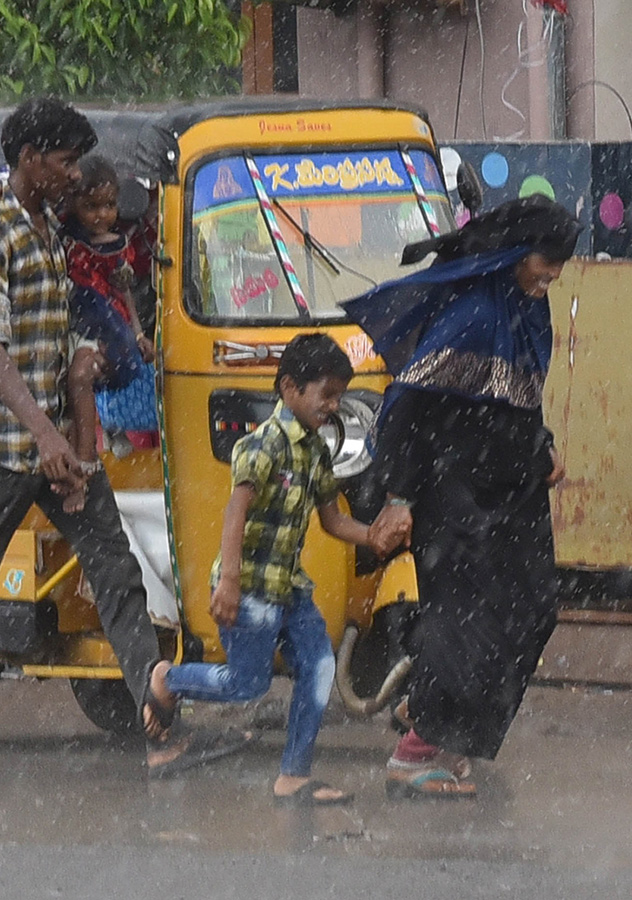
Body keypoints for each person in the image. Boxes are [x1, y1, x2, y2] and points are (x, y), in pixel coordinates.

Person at [0, 97, 243, 773]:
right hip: (15, 448)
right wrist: (49, 436)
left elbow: (52, 331)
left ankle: (157, 727)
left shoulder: (48, 226)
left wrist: (81, 373)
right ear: (27, 159)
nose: (76, 176)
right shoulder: (1, 228)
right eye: (64, 161)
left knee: (116, 575)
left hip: (64, 454)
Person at [344, 194, 580, 798]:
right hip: (455, 492)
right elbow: (407, 410)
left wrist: (543, 445)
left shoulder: (529, 309)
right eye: (544, 264)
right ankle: (416, 750)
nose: (551, 277)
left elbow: (522, 396)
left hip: (513, 490)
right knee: (467, 624)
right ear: (516, 254)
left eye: (557, 268)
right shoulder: (473, 313)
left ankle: (432, 720)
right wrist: (399, 496)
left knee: (532, 609)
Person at [142, 333, 399, 803]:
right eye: (326, 395)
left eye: (340, 395)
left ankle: (294, 774)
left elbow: (332, 518)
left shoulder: (316, 452)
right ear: (289, 389)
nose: (334, 405)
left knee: (320, 667)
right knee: (248, 683)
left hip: (290, 589)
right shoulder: (262, 446)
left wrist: (373, 536)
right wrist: (230, 585)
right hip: (250, 587)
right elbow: (235, 512)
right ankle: (168, 678)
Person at [60, 152, 154, 512]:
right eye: (91, 206)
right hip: (75, 314)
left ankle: (87, 460)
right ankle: (82, 460)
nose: (102, 214)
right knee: (77, 383)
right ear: (73, 205)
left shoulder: (117, 245)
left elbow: (124, 289)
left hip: (102, 316)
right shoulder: (65, 238)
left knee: (93, 373)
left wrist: (138, 330)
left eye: (109, 205)